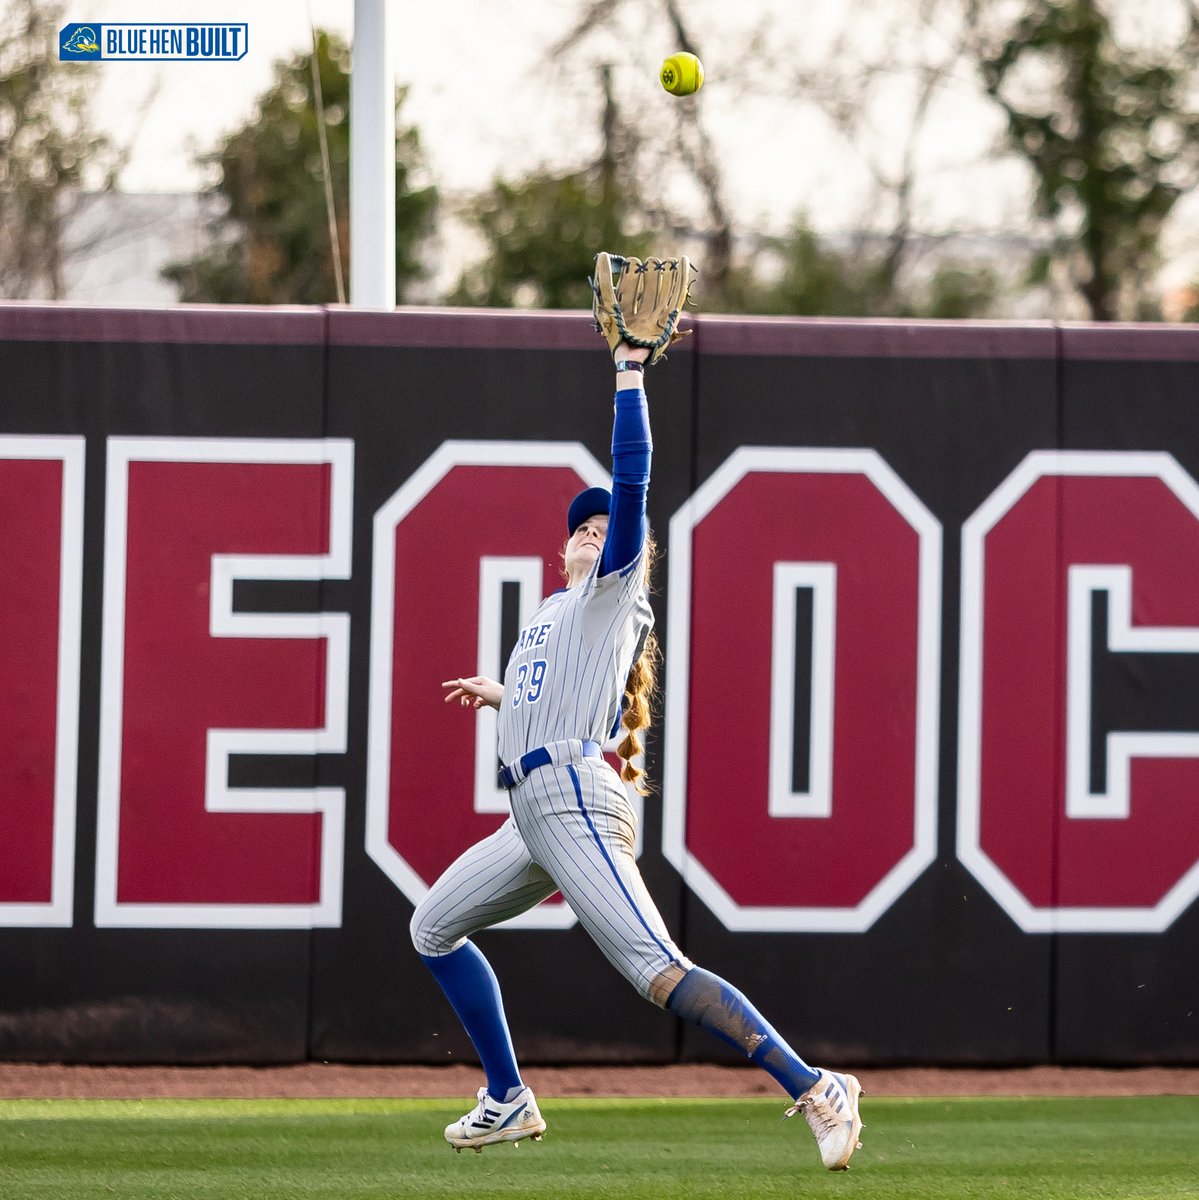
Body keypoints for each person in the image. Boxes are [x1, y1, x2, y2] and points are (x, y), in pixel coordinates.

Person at [409, 331, 865, 1171]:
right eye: (576, 525)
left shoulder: (613, 590)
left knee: (658, 972)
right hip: (533, 810)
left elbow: (632, 479)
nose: (589, 529)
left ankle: (814, 1084)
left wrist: (626, 373)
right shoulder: (553, 609)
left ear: (623, 547)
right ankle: (507, 1099)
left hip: (573, 798)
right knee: (433, 928)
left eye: (600, 524)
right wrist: (504, 696)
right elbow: (570, 698)